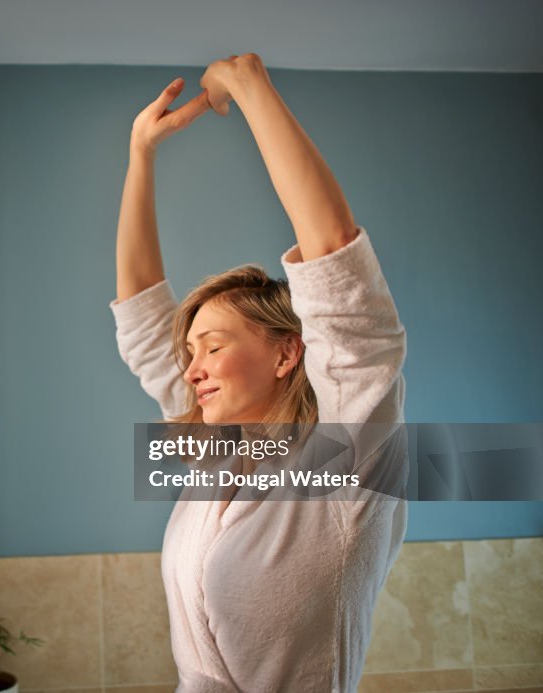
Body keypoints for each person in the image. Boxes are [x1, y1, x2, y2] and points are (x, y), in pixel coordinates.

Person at [111, 54, 408, 692]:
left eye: (213, 347)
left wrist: (247, 85)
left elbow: (339, 280)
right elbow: (140, 323)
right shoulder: (216, 456)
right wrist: (140, 154)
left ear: (285, 352)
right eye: (190, 354)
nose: (191, 371)